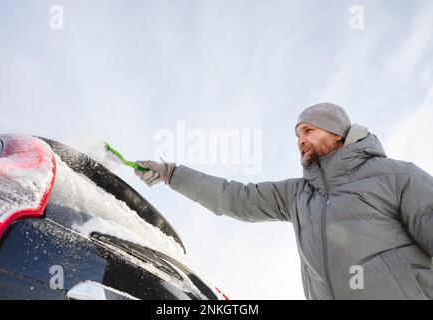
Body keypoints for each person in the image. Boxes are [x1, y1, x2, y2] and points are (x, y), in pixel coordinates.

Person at [134, 102, 433, 300]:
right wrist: (171, 174)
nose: (300, 139)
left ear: (337, 134)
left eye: (308, 131)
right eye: (297, 134)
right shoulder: (297, 195)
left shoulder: (393, 175)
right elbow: (233, 197)